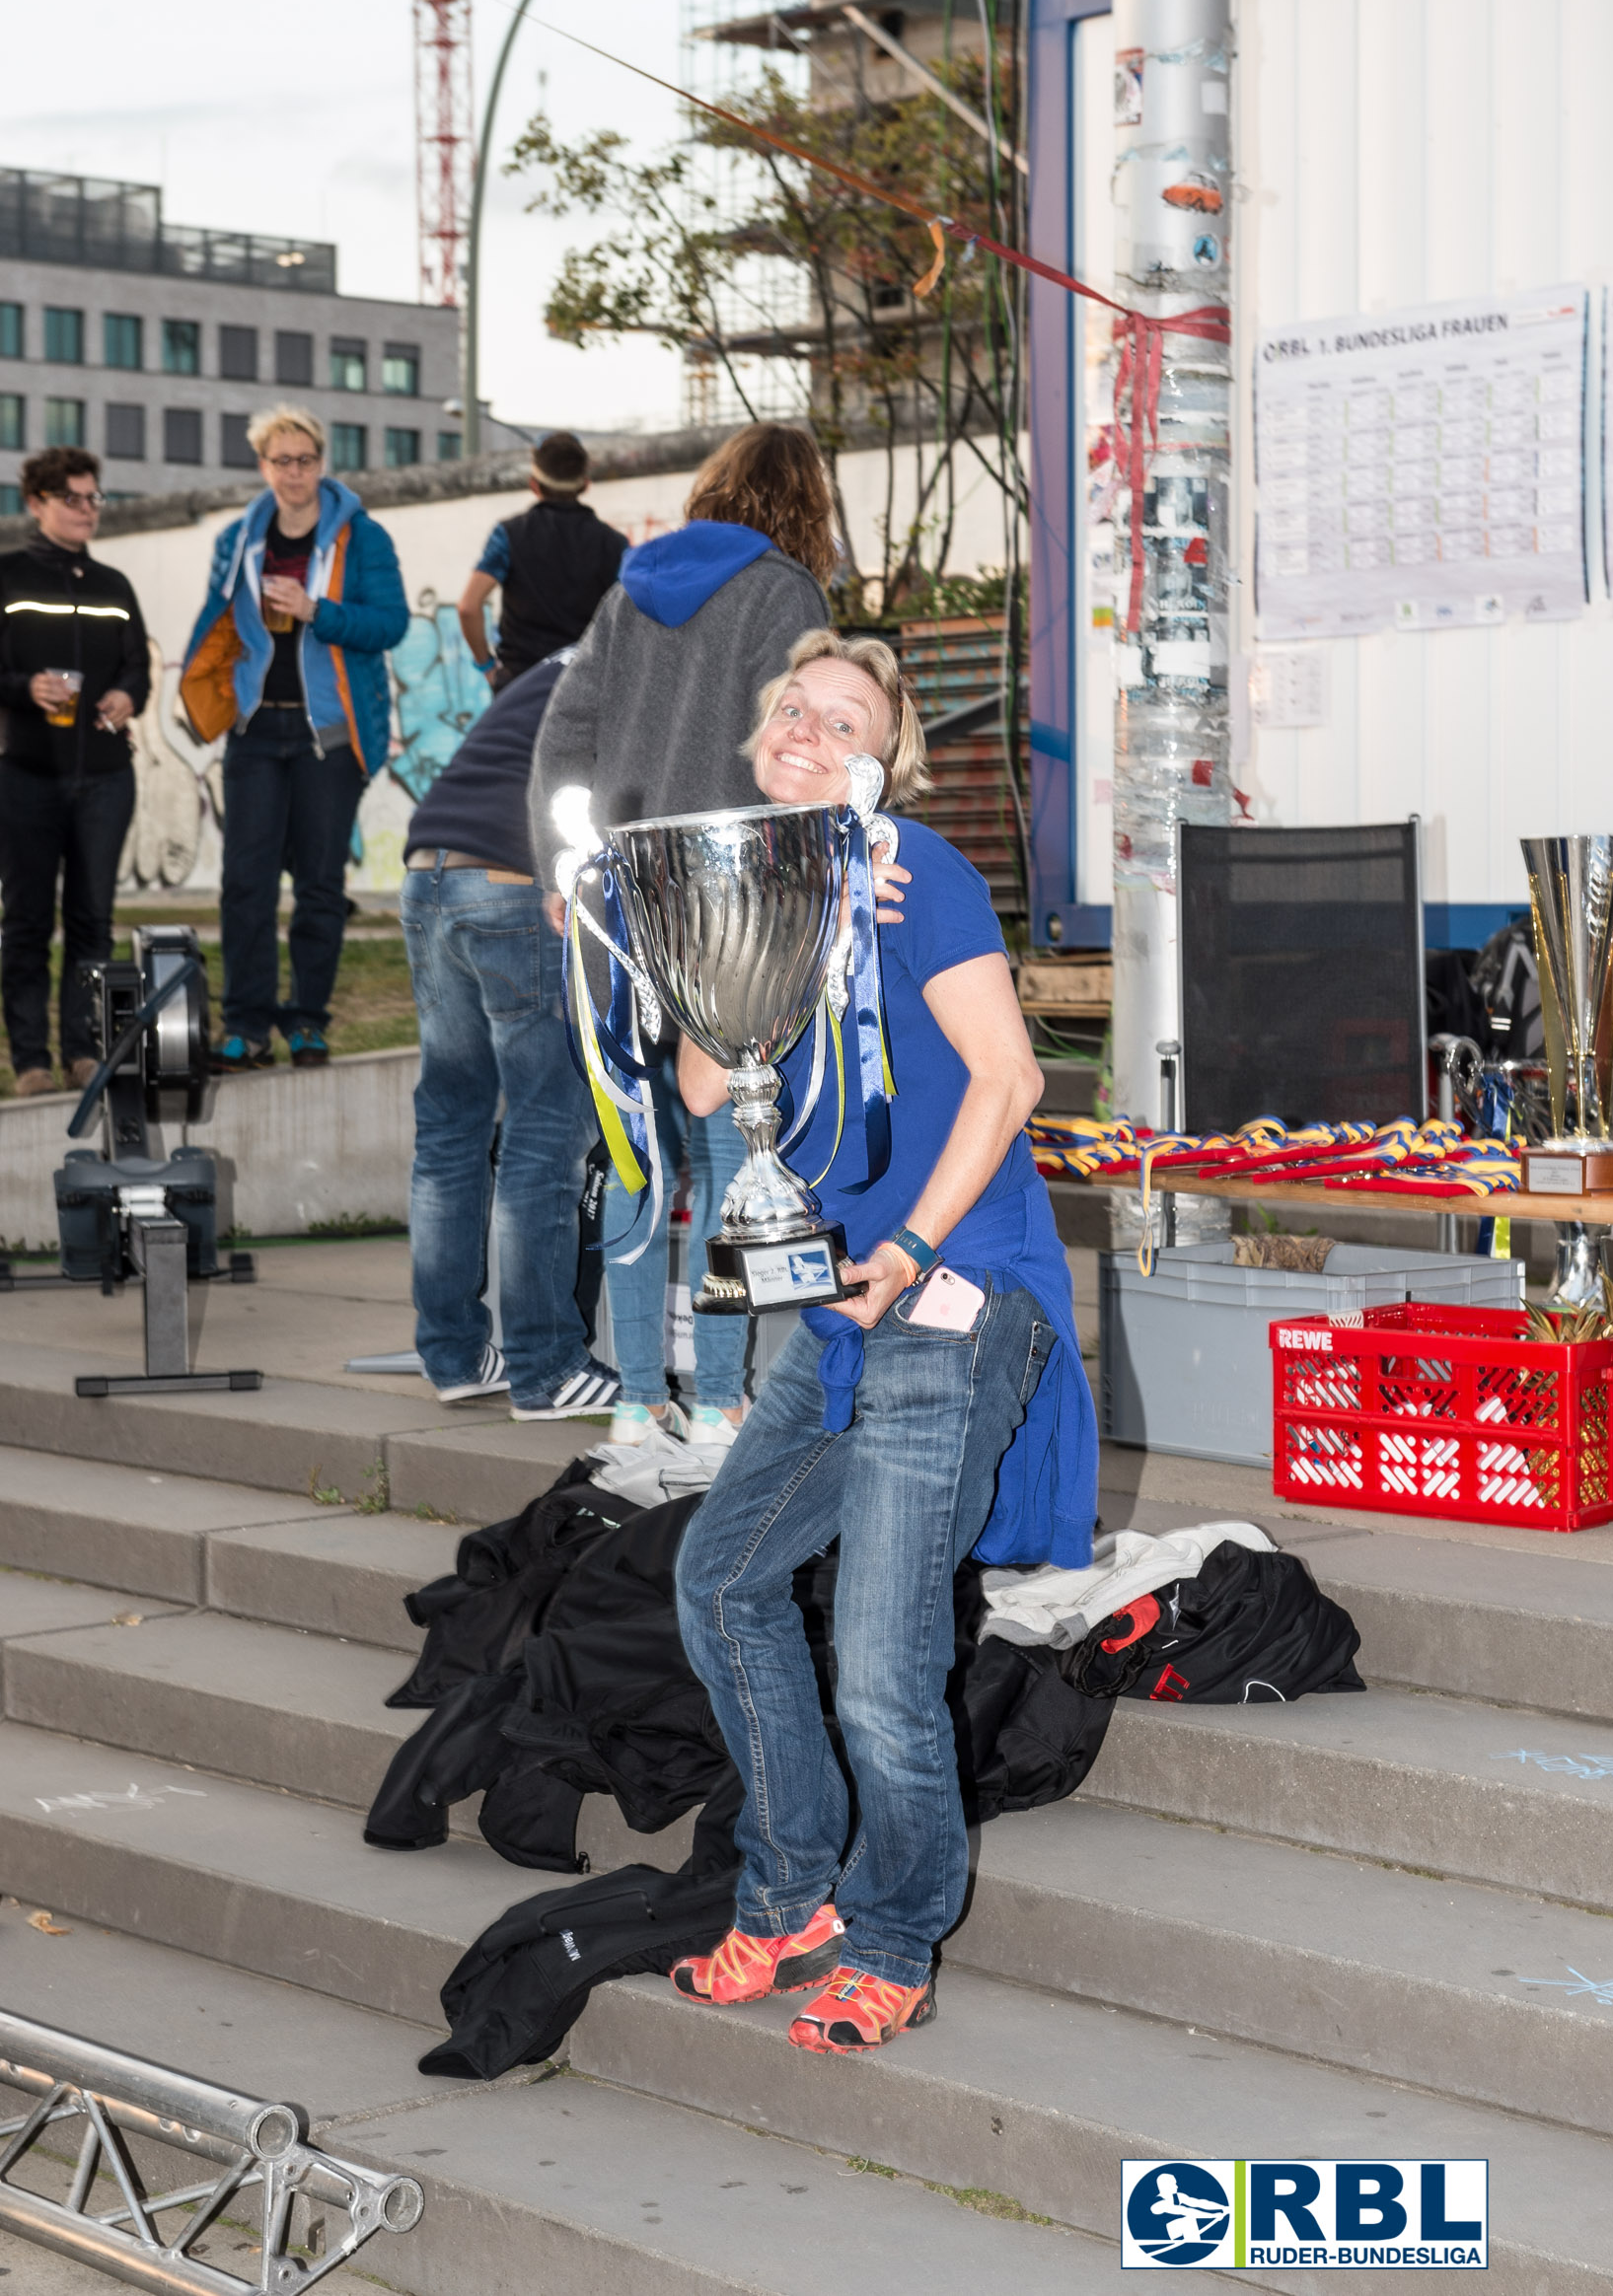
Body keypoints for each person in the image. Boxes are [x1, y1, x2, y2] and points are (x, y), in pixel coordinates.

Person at [668, 630, 1097, 2054]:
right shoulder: (762, 900)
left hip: (953, 1286)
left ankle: (895, 1932)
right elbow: (704, 1085)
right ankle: (792, 1890)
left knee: (880, 1649)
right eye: (791, 705)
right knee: (720, 1577)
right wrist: (726, 928)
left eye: (843, 718)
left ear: (881, 763)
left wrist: (909, 1244)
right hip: (845, 1307)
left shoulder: (922, 873)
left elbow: (1010, 1078)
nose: (806, 725)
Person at [531, 422, 836, 1454]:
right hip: (727, 906)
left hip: (617, 898)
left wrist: (562, 869)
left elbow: (563, 737)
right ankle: (717, 1399)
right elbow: (796, 751)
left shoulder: (627, 594)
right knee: (723, 1145)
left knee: (632, 1149)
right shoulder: (783, 592)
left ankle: (633, 1401)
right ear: (802, 503)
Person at [401, 645, 617, 1421]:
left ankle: (454, 1355)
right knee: (546, 1129)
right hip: (515, 880)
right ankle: (545, 1368)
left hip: (429, 874)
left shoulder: (565, 660)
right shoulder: (653, 660)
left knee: (450, 1127)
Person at [181, 405, 409, 1071]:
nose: (294, 472)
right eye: (281, 461)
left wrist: (317, 612)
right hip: (254, 731)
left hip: (327, 737)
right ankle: (245, 1026)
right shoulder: (238, 538)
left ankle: (308, 1020)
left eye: (305, 460)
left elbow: (390, 624)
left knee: (318, 885)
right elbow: (217, 619)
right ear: (263, 466)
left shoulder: (363, 537)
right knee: (244, 884)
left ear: (322, 463)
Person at [0, 447, 151, 1097]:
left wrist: (128, 696)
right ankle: (31, 1061)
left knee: (93, 922)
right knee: (28, 922)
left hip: (107, 778)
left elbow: (138, 666)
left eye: (95, 498)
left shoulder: (114, 585)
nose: (88, 509)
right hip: (26, 775)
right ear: (36, 504)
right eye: (73, 498)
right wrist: (23, 687)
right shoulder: (7, 577)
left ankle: (83, 1052)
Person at [458, 430, 625, 692]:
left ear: (534, 484)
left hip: (521, 685)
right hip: (585, 686)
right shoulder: (614, 543)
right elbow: (629, 617)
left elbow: (468, 607)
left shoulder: (509, 535)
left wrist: (487, 666)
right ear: (585, 485)